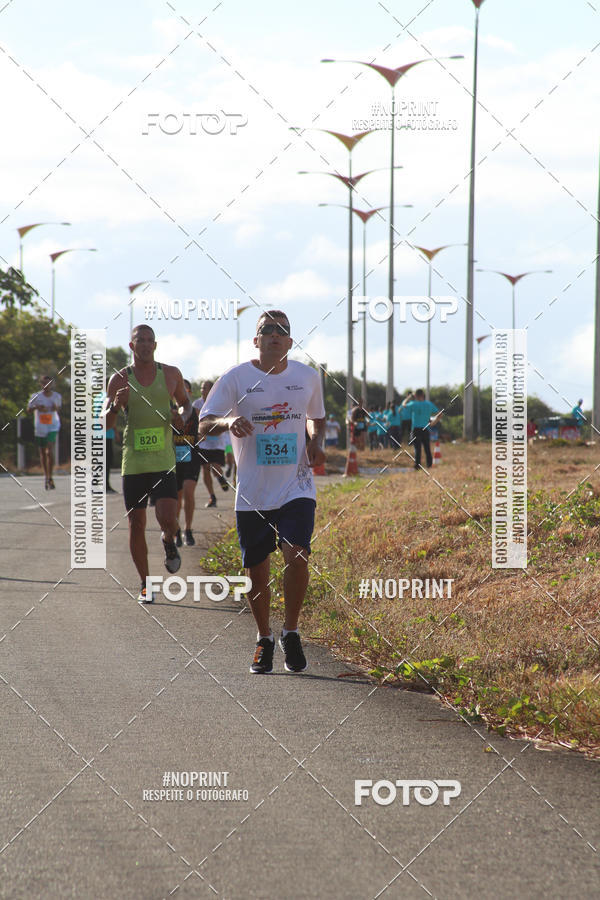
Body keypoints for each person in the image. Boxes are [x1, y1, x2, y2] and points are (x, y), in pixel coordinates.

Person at [198, 310, 326, 674]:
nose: (274, 335)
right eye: (266, 329)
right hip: (252, 490)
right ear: (256, 340)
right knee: (257, 571)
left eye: (282, 330)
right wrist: (228, 421)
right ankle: (264, 638)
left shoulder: (307, 377)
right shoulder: (236, 378)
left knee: (297, 554)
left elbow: (317, 417)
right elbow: (203, 424)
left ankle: (291, 631)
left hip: (296, 485)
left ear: (290, 341)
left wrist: (316, 442)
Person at [105, 324, 192, 602]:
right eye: (139, 340)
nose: (144, 345)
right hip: (134, 462)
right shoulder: (119, 379)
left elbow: (186, 404)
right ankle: (145, 584)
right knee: (136, 523)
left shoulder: (170, 374)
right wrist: (116, 406)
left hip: (163, 459)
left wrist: (180, 415)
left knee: (168, 518)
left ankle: (168, 540)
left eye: (149, 340)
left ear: (155, 345)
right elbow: (106, 423)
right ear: (131, 346)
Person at [194, 380, 230, 508]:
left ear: (212, 390)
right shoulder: (197, 404)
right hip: (203, 444)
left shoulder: (219, 403)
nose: (203, 390)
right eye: (202, 388)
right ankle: (212, 496)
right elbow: (195, 421)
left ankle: (220, 478)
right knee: (205, 469)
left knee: (215, 466)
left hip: (217, 442)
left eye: (206, 388)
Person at [174, 379, 201, 546]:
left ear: (189, 393)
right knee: (177, 497)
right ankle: (176, 529)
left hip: (191, 458)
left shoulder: (196, 412)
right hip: (173, 460)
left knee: (188, 492)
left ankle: (188, 529)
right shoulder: (169, 412)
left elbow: (206, 428)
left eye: (185, 390)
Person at [27, 375, 61, 490]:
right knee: (42, 453)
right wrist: (37, 407)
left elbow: (58, 409)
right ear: (41, 384)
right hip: (40, 427)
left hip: (52, 426)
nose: (46, 386)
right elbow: (29, 410)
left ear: (52, 384)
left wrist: (54, 407)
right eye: (44, 383)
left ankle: (50, 476)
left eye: (48, 383)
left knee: (49, 451)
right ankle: (46, 476)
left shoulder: (57, 396)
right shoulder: (35, 396)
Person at [402, 389, 443, 469]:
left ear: (416, 396)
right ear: (423, 395)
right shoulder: (429, 404)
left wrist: (408, 397)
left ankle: (417, 466)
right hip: (426, 429)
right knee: (427, 448)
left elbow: (404, 405)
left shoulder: (413, 404)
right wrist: (434, 422)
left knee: (418, 449)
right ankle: (429, 465)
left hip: (416, 429)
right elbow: (440, 414)